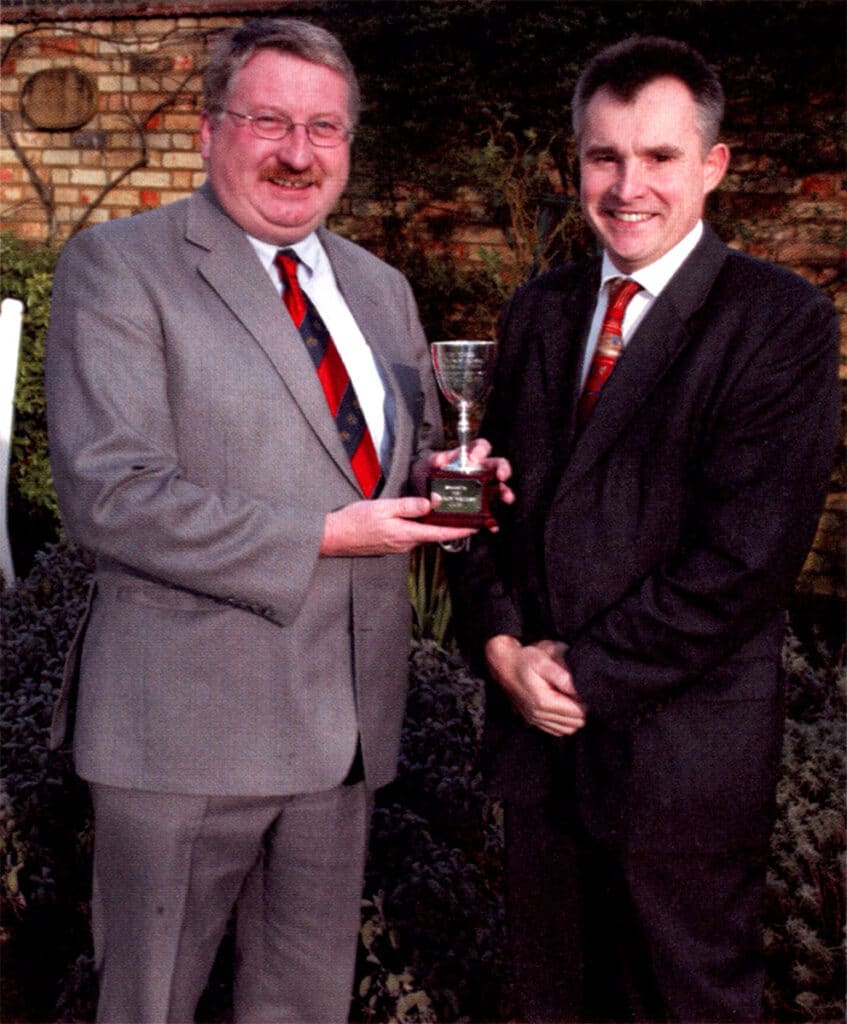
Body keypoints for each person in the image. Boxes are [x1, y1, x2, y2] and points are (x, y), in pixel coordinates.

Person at [45, 17, 510, 1024]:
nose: (298, 154)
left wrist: (450, 476)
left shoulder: (380, 291)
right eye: (268, 121)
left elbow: (385, 460)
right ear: (212, 130)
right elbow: (109, 490)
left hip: (342, 736)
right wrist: (323, 536)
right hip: (181, 738)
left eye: (325, 128)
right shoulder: (119, 267)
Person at [448, 35, 840, 1024]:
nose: (627, 185)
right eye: (602, 156)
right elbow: (485, 502)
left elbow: (743, 560)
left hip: (676, 761)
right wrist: (499, 647)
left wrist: (574, 675)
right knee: (550, 1002)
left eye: (659, 157)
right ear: (574, 162)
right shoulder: (538, 311)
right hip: (540, 754)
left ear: (711, 165)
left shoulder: (778, 320)